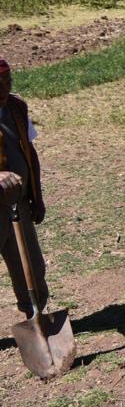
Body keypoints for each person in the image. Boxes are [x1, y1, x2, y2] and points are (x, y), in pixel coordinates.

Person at [0, 59, 48, 320]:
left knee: (32, 271)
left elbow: (30, 152)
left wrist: (36, 198)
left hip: (18, 207)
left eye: (8, 83)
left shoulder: (16, 108)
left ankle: (36, 320)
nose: (3, 91)